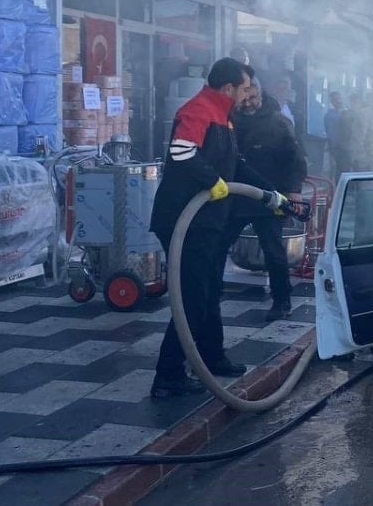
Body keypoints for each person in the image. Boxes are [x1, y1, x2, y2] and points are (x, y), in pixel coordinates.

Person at [148, 57, 278, 398]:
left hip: (208, 220)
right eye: (245, 88)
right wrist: (214, 180)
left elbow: (237, 165)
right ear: (228, 88)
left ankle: (211, 356)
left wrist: (271, 195)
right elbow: (181, 152)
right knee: (191, 295)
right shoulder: (201, 109)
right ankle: (168, 374)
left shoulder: (224, 116)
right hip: (184, 220)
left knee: (208, 290)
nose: (248, 94)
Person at [218, 79, 308, 322]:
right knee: (218, 244)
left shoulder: (278, 122)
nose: (248, 104)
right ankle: (211, 291)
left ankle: (282, 301)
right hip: (235, 195)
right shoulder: (230, 120)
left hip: (270, 196)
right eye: (244, 99)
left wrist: (293, 190)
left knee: (273, 250)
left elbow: (296, 158)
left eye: (253, 98)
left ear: (260, 94)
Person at [325, 91, 347, 177]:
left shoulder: (348, 112)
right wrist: (335, 149)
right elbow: (331, 134)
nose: (338, 101)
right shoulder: (330, 116)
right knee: (340, 170)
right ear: (332, 102)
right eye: (335, 100)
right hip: (339, 149)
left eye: (339, 99)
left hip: (351, 148)